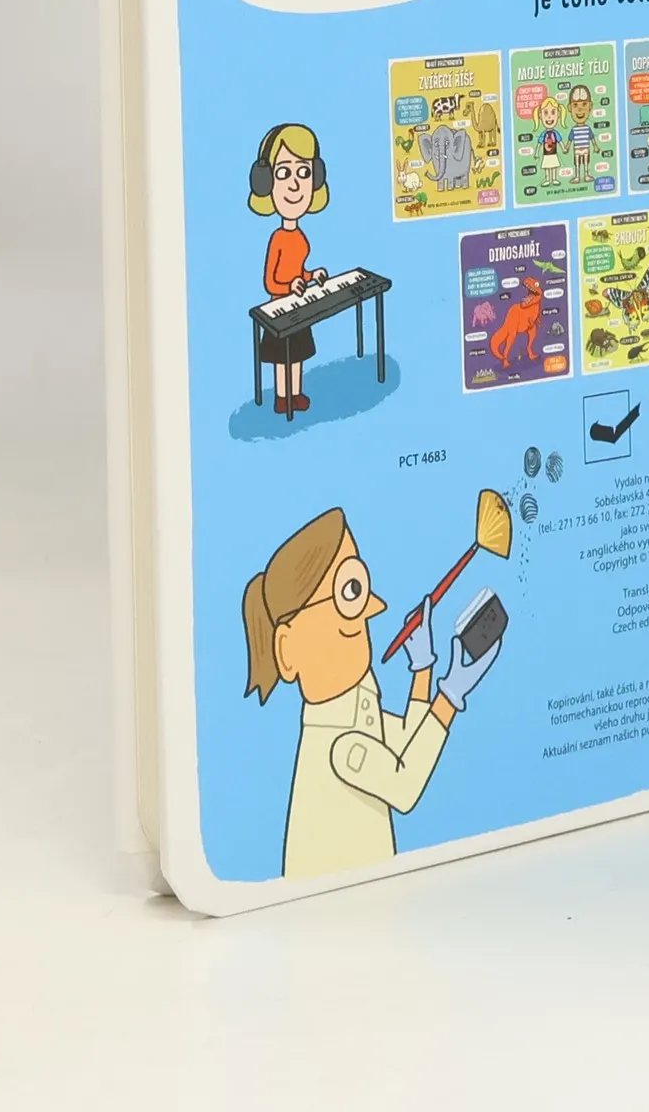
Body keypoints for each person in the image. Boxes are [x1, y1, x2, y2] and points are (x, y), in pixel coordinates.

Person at [241, 508, 501, 883]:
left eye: (358, 587)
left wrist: (423, 669)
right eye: (348, 593)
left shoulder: (354, 716)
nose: (369, 609)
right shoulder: (339, 746)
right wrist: (449, 695)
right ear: (287, 650)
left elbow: (405, 742)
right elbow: (405, 786)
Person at [248, 121, 331, 415]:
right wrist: (289, 286)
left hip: (298, 306)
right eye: (283, 173)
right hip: (279, 309)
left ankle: (296, 393)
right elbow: (270, 282)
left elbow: (299, 270)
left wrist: (311, 276)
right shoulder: (278, 238)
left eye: (304, 173)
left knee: (297, 355)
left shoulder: (300, 237)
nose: (295, 185)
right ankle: (282, 397)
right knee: (281, 358)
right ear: (265, 183)